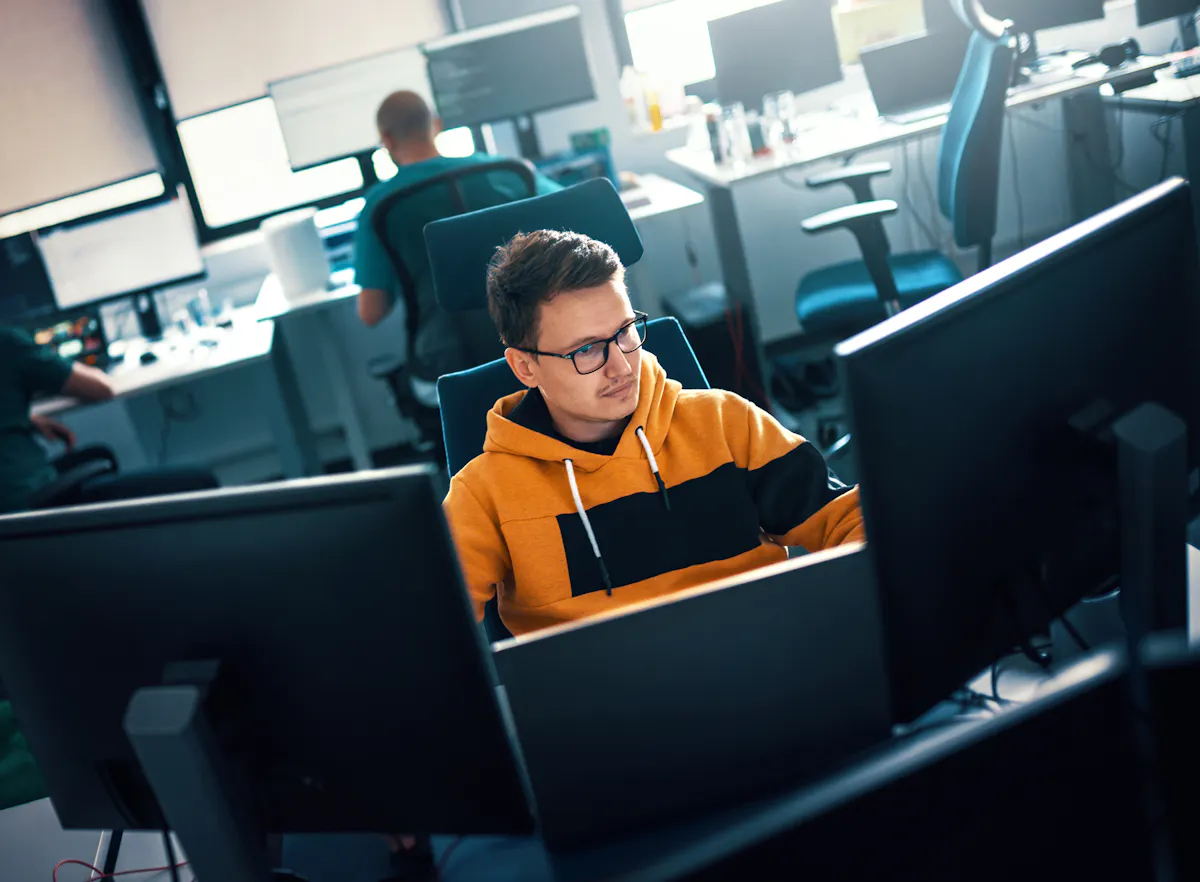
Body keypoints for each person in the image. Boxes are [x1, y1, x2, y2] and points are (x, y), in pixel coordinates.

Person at [443, 231, 865, 637]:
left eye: (625, 332)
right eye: (586, 350)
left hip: (769, 666)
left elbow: (849, 519)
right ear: (525, 368)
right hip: (604, 702)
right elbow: (421, 629)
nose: (622, 367)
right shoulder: (485, 495)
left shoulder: (725, 423)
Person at [354, 92, 560, 377]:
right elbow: (569, 216)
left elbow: (370, 313)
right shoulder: (501, 170)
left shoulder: (380, 206)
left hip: (449, 360)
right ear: (436, 125)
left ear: (386, 140)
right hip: (529, 337)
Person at [0, 326, 217, 514]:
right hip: (27, 504)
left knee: (101, 455)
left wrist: (30, 420)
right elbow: (101, 388)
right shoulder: (8, 342)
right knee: (201, 480)